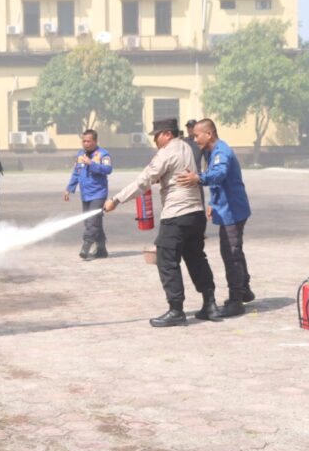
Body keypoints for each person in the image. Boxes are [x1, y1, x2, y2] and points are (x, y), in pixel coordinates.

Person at [103, 118, 219, 326]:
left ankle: (176, 309)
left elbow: (143, 181)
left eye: (156, 136)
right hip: (196, 213)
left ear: (166, 134)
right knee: (196, 257)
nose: (155, 140)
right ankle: (210, 304)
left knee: (166, 259)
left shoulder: (166, 153)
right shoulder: (188, 147)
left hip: (176, 214)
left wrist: (116, 200)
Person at [176, 119, 254, 317]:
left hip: (233, 211)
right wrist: (213, 203)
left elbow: (218, 175)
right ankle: (244, 289)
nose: (195, 139)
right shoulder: (212, 152)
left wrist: (198, 178)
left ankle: (236, 300)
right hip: (227, 208)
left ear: (208, 134)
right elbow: (219, 182)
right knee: (235, 250)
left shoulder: (221, 152)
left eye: (196, 135)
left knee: (231, 254)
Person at [64, 129, 113, 260]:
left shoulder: (103, 154)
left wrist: (92, 164)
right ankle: (101, 250)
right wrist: (69, 188)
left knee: (92, 222)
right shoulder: (80, 155)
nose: (85, 144)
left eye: (88, 141)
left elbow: (108, 169)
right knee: (91, 221)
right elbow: (76, 172)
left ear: (95, 141)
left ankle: (85, 247)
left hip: (98, 194)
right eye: (84, 141)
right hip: (85, 194)